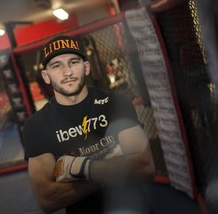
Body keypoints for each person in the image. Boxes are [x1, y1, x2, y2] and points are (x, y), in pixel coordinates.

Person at [22, 35, 155, 214]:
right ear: (46, 76)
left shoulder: (115, 103)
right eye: (56, 65)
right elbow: (47, 199)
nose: (67, 72)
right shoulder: (36, 126)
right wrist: (113, 167)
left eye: (74, 62)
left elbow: (144, 168)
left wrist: (78, 168)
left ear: (86, 67)